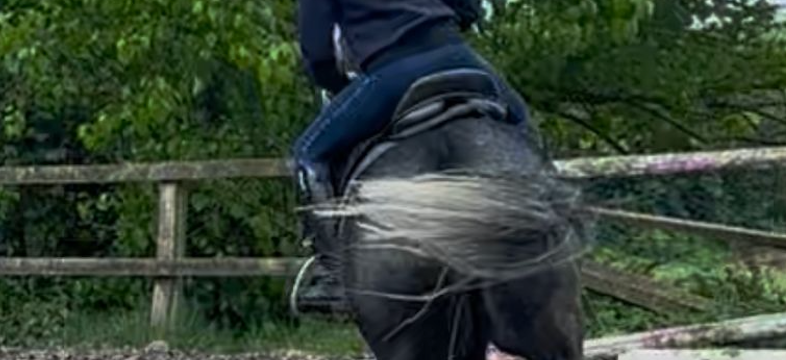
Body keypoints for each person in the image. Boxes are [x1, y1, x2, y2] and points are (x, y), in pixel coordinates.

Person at [292, 0, 536, 207]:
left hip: (393, 72)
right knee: (524, 128)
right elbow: (468, 8)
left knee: (308, 152)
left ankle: (330, 258)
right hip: (457, 56)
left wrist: (340, 88)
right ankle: (556, 219)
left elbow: (318, 53)